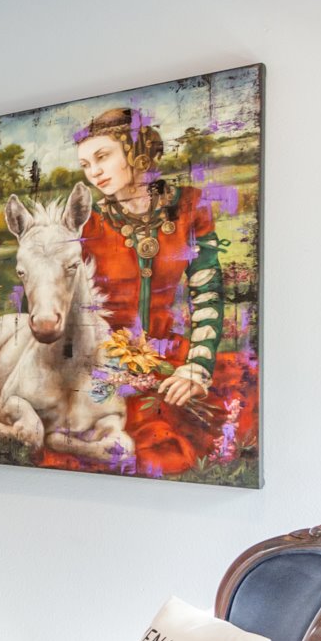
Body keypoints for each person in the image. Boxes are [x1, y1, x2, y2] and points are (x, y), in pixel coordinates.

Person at [47, 106, 253, 476]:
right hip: (107, 367)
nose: (94, 172)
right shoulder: (88, 226)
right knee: (152, 451)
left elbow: (207, 294)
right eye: (85, 164)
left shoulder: (189, 207)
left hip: (173, 359)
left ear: (135, 150)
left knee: (237, 413)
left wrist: (197, 366)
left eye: (102, 156)